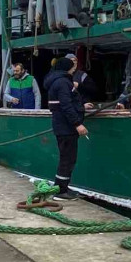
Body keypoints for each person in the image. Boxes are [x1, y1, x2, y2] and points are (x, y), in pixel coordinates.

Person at [43, 57, 87, 201]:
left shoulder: (57, 81)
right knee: (67, 159)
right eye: (72, 65)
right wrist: (77, 124)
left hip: (62, 126)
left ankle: (62, 186)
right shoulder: (63, 82)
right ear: (67, 67)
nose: (74, 67)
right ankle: (61, 191)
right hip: (66, 128)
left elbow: (66, 102)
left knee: (66, 158)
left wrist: (82, 107)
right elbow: (66, 105)